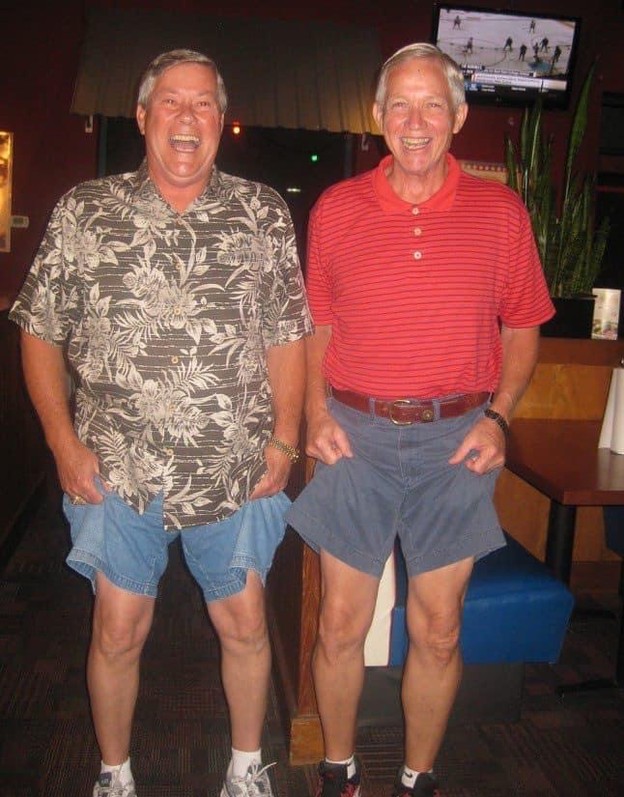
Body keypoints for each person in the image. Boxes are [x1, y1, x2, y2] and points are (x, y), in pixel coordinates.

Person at [10, 49, 312, 797]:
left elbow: (287, 334)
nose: (187, 116)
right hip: (116, 464)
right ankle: (114, 775)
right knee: (117, 627)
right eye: (170, 101)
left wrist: (285, 438)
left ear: (222, 120)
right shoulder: (85, 210)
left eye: (203, 102)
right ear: (142, 116)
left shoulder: (262, 212)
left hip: (234, 464)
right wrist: (62, 442)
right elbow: (40, 330)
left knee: (245, 622)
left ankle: (245, 768)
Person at [286, 42, 554, 797]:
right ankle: (339, 771)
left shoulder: (501, 213)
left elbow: (523, 326)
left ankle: (418, 779)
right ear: (378, 115)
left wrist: (499, 418)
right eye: (399, 104)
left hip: (457, 442)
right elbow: (317, 324)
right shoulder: (336, 210)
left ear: (458, 116)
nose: (415, 121)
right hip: (354, 436)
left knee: (439, 629)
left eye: (432, 104)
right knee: (340, 624)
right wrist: (313, 412)